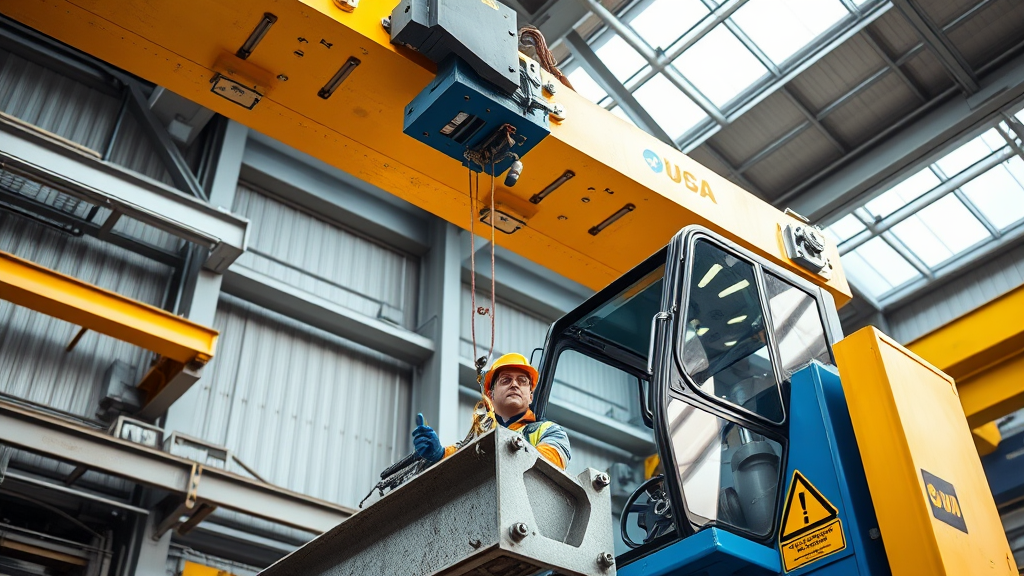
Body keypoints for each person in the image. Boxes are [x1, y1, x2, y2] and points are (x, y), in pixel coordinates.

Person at [411, 353, 571, 469]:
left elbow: (549, 466)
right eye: (506, 380)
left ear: (530, 396)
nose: (514, 385)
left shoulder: (550, 431)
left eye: (522, 381)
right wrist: (438, 455)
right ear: (490, 395)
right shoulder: (478, 439)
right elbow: (457, 458)